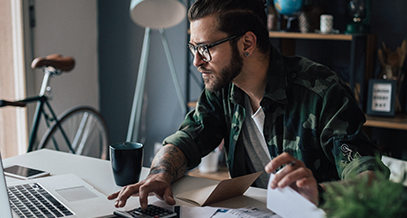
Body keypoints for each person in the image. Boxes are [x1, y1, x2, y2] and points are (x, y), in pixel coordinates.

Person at [109, 0, 386, 209]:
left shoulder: (321, 92)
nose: (197, 61)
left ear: (247, 43)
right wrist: (159, 174)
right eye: (193, 48)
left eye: (206, 48)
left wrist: (320, 194)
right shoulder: (223, 87)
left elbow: (371, 178)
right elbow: (188, 138)